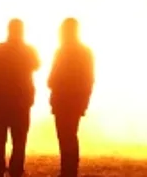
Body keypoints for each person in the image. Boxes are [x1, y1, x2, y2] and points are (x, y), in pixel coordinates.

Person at [0, 19, 40, 177]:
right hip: (22, 101)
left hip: (1, 101)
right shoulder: (28, 50)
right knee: (19, 140)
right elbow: (37, 65)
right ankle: (16, 170)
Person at [47, 19, 95, 177]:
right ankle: (70, 170)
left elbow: (52, 79)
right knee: (71, 136)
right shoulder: (86, 53)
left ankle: (67, 170)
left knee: (64, 137)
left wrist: (53, 83)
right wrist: (84, 102)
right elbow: (89, 79)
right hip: (76, 102)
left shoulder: (61, 52)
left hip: (62, 101)